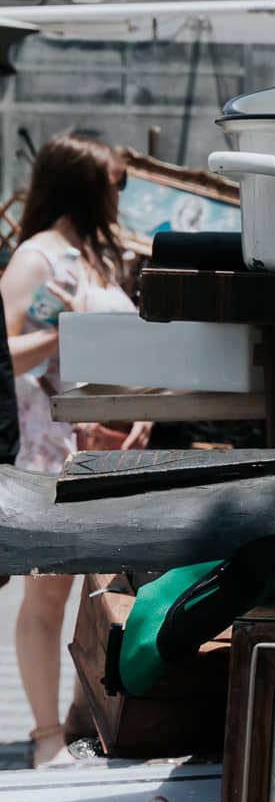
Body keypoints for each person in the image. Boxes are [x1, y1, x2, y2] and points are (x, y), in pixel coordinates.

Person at [1, 134, 144, 765]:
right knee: (48, 596)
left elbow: (123, 354)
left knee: (107, 591)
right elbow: (4, 351)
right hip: (51, 452)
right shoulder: (37, 259)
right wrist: (64, 330)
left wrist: (141, 413)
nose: (121, 194)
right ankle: (45, 736)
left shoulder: (99, 257)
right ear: (85, 185)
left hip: (110, 450)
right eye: (116, 182)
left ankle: (85, 717)